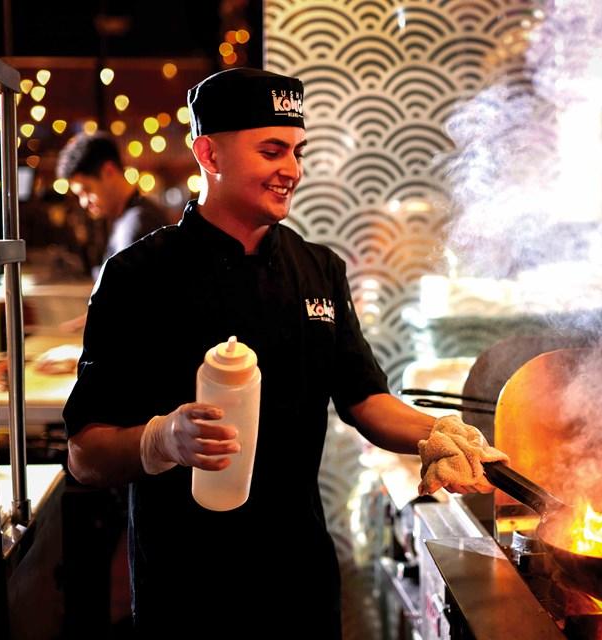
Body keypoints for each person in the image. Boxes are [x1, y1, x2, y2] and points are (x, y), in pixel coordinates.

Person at [63, 67, 504, 638]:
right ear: (209, 154)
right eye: (272, 151)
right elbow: (84, 452)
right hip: (186, 589)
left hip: (299, 580)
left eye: (298, 151)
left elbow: (364, 398)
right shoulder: (138, 277)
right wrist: (162, 439)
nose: (292, 170)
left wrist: (434, 433)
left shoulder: (318, 270)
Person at [56, 131, 174, 279]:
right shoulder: (132, 216)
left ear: (109, 172)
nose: (84, 202)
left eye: (86, 190)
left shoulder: (136, 223)